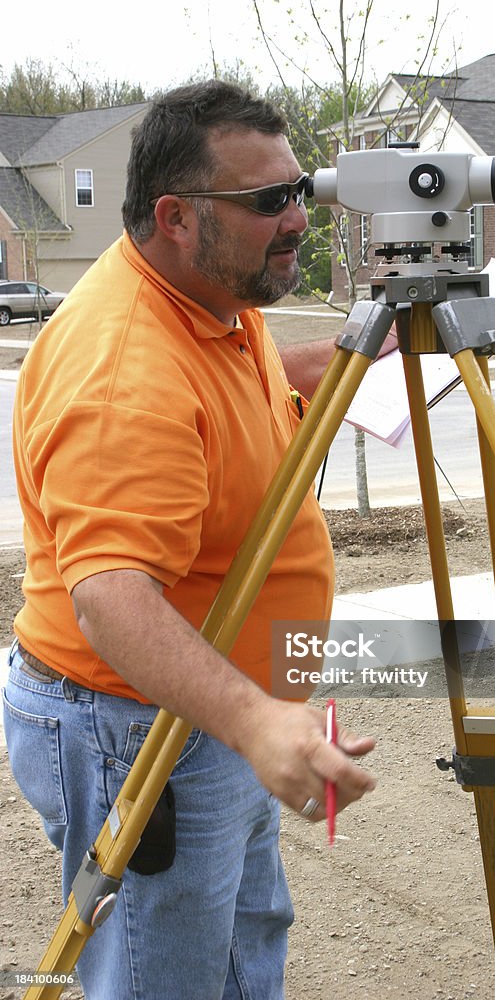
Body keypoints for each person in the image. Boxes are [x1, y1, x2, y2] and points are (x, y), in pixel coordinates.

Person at [4, 80, 377, 1000]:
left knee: (243, 945)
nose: (297, 218)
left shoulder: (212, 294)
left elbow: (225, 408)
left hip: (208, 714)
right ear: (175, 216)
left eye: (301, 190)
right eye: (266, 201)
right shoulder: (126, 370)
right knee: (162, 977)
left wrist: (339, 360)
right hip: (140, 725)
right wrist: (256, 722)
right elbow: (110, 594)